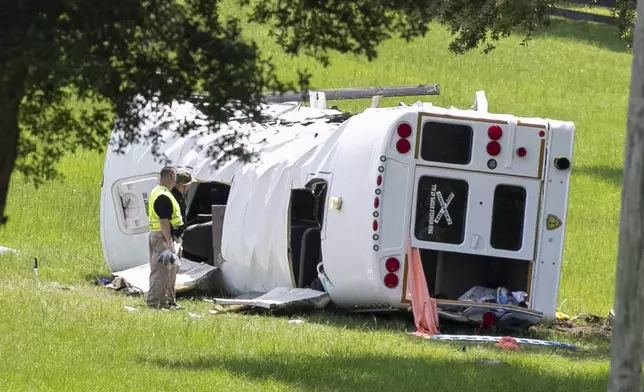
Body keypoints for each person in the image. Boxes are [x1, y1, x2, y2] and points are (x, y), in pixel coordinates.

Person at [146, 166, 184, 310]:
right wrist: (169, 241)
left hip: (162, 236)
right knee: (161, 271)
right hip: (162, 237)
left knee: (168, 271)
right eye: (174, 178)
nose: (175, 181)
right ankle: (153, 302)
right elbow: (164, 220)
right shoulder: (163, 195)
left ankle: (164, 302)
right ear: (169, 177)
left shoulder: (158, 192)